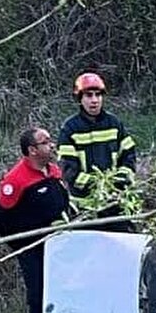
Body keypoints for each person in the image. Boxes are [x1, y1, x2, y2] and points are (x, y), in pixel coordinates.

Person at [0, 126, 70, 313]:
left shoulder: (53, 171)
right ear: (32, 150)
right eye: (45, 142)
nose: (52, 145)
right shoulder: (15, 180)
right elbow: (2, 219)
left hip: (59, 246)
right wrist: (21, 248)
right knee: (39, 297)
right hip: (33, 249)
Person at [57, 71, 138, 231]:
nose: (94, 100)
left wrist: (118, 182)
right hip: (86, 210)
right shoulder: (70, 129)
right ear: (80, 99)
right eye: (88, 95)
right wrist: (98, 186)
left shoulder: (114, 124)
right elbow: (69, 171)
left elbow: (129, 157)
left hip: (116, 203)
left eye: (98, 95)